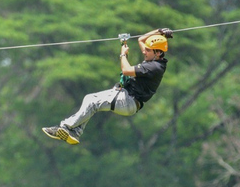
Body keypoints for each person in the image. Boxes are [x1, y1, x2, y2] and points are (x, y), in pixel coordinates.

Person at [42, 28, 172, 145]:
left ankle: (65, 127)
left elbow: (126, 70)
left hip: (128, 100)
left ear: (158, 53)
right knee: (90, 100)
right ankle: (75, 132)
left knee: (92, 101)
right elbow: (141, 39)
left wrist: (122, 54)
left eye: (148, 50)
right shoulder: (153, 59)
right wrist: (159, 32)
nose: (144, 52)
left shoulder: (154, 67)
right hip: (128, 100)